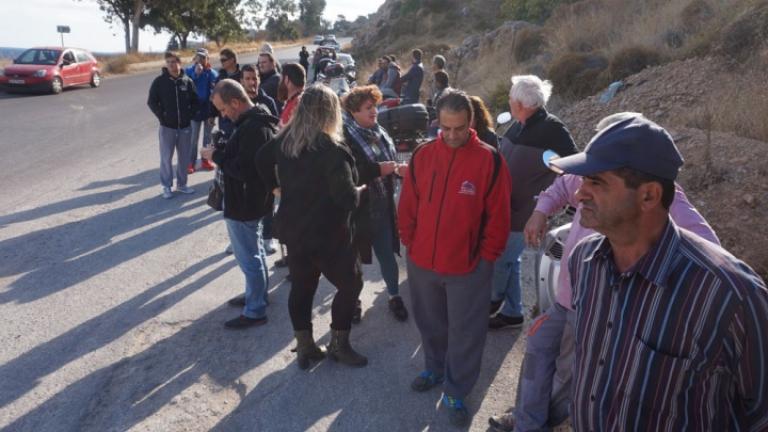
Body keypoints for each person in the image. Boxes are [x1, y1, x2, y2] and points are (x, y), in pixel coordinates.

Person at [487, 113, 721, 432]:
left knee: (570, 375)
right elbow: (561, 187)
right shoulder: (591, 182)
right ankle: (526, 418)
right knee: (539, 348)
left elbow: (708, 250)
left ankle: (538, 423)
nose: (581, 192)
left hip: (598, 309)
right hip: (567, 297)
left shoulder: (668, 200)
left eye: (595, 180)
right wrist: (540, 211)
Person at [551, 116, 768, 431]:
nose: (580, 194)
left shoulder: (729, 295)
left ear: (649, 196)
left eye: (596, 182)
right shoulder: (585, 261)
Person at [398, 90, 512, 426]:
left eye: (459, 128)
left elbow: (499, 217)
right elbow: (408, 203)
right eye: (444, 128)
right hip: (422, 263)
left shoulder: (489, 160)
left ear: (471, 121)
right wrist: (409, 241)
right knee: (430, 323)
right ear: (437, 122)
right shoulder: (423, 154)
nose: (451, 135)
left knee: (466, 332)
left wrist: (486, 258)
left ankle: (456, 390)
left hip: (468, 267)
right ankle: (434, 369)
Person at [254, 84, 368, 369]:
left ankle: (305, 347)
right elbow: (346, 198)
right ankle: (339, 345)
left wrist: (274, 187)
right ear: (331, 112)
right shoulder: (332, 149)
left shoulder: (285, 140)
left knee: (302, 287)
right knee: (351, 284)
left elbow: (260, 159)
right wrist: (360, 191)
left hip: (295, 231)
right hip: (329, 235)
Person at [489, 75, 578, 330]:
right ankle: (513, 312)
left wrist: (551, 204)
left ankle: (493, 302)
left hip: (525, 212)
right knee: (509, 260)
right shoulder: (517, 124)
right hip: (504, 208)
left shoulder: (553, 129)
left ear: (520, 103)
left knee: (502, 259)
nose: (508, 100)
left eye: (510, 97)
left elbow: (573, 167)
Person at [201, 79, 278, 329]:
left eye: (223, 109)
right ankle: (257, 296)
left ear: (235, 102)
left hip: (244, 203)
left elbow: (244, 170)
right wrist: (224, 150)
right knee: (255, 253)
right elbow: (247, 160)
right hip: (250, 201)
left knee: (249, 258)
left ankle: (255, 310)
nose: (223, 115)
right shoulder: (253, 121)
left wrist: (216, 156)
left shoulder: (253, 127)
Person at [341, 85, 408, 322]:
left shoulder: (380, 131)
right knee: (354, 260)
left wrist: (398, 170)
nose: (374, 111)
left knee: (387, 254)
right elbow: (347, 175)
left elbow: (391, 161)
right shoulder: (344, 138)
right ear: (353, 111)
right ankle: (354, 301)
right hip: (358, 209)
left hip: (382, 204)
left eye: (375, 106)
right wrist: (379, 170)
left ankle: (394, 296)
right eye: (368, 108)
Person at [147, 51, 199, 199]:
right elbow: (151, 102)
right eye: (168, 62)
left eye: (174, 61)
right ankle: (166, 186)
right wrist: (162, 117)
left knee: (184, 158)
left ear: (179, 63)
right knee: (166, 158)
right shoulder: (159, 82)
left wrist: (189, 115)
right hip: (167, 128)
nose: (171, 64)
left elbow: (195, 102)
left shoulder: (187, 81)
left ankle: (182, 184)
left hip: (185, 127)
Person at [185, 48, 218, 174]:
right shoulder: (189, 71)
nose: (201, 60)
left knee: (208, 137)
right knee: (193, 138)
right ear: (195, 59)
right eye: (199, 57)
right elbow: (186, 84)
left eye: (204, 58)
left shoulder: (212, 73)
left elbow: (216, 88)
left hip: (209, 109)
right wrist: (196, 74)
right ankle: (190, 162)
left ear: (207, 59)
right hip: (194, 109)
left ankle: (205, 160)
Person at [216, 48, 242, 138]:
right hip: (225, 118)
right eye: (220, 60)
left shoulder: (242, 76)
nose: (221, 62)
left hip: (240, 117)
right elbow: (215, 96)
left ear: (232, 60)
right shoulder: (220, 78)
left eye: (224, 60)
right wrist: (211, 114)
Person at [277, 63, 306, 129]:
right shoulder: (302, 99)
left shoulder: (296, 104)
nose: (279, 83)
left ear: (286, 79)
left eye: (280, 79)